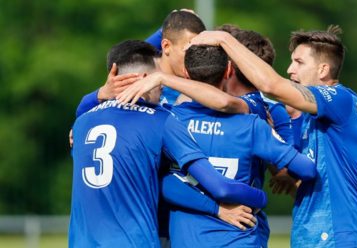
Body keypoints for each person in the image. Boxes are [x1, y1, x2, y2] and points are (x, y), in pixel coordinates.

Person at [188, 26, 357, 247]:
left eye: (299, 62)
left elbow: (271, 86)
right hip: (313, 234)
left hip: (339, 235)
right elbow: (304, 178)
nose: (290, 69)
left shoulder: (341, 98)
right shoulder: (312, 119)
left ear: (323, 69)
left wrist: (224, 39)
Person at [69, 40, 267, 247]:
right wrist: (259, 199)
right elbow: (218, 186)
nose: (162, 86)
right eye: (158, 78)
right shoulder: (161, 120)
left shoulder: (82, 123)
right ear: (145, 80)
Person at [117, 44, 316, 248]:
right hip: (240, 239)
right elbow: (306, 169)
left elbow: (160, 183)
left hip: (188, 241)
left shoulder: (167, 120)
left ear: (185, 74)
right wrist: (261, 197)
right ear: (228, 72)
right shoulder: (252, 124)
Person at [75, 10, 206, 118]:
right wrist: (102, 93)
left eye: (200, 50)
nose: (195, 58)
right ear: (166, 45)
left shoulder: (201, 81)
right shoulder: (136, 74)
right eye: (188, 51)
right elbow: (82, 113)